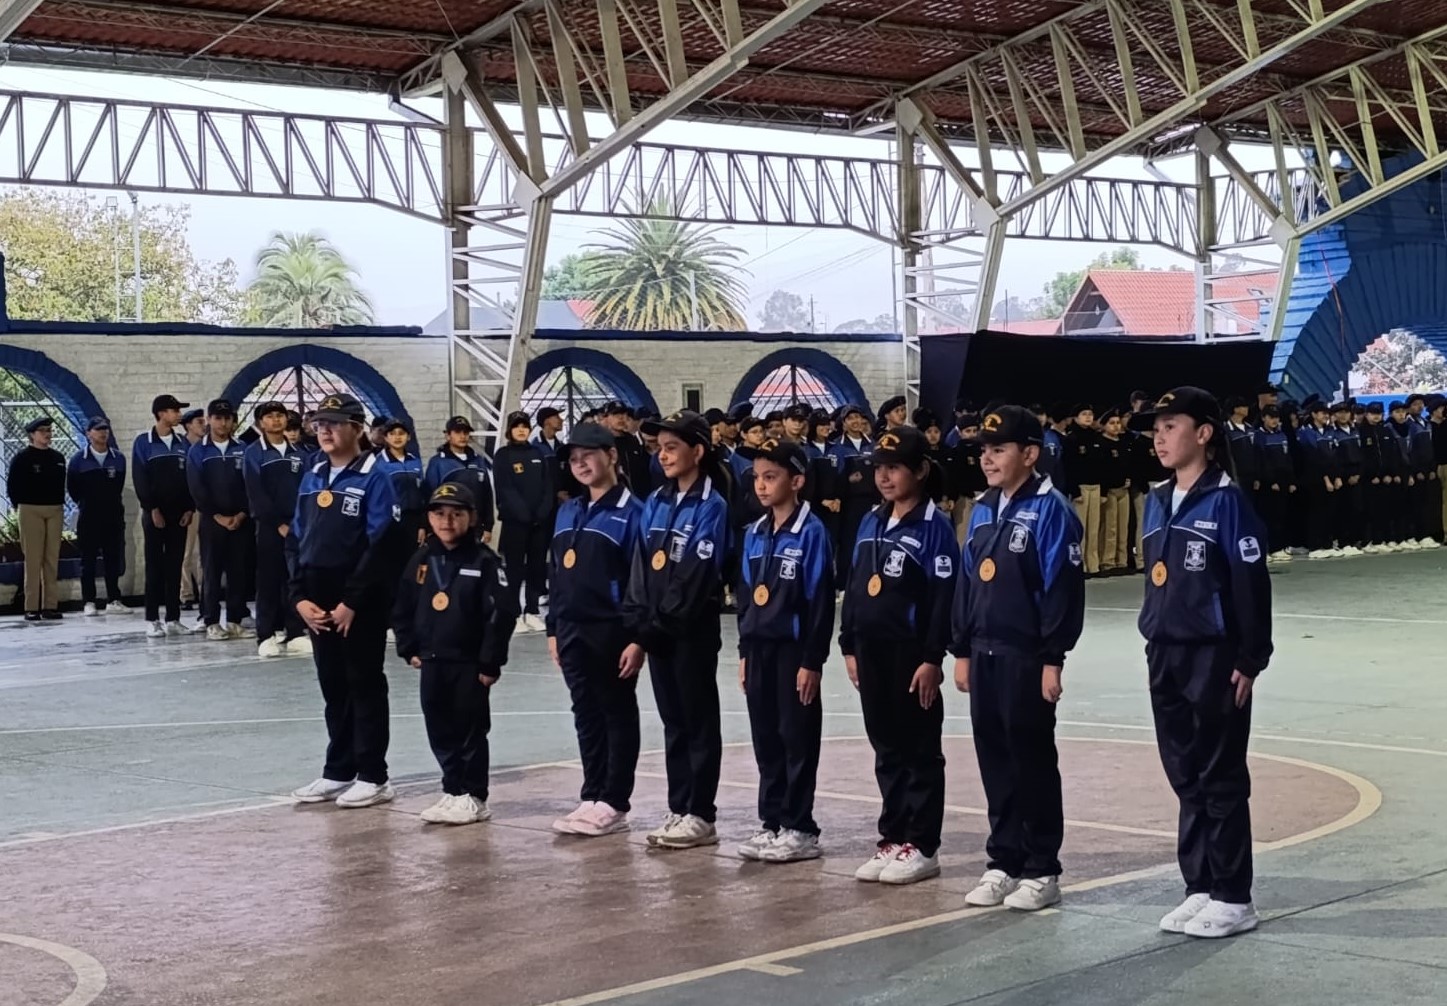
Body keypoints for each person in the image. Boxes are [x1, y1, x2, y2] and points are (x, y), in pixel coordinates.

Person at [1132, 387, 1272, 939]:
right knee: (1185, 775)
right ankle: (1201, 885)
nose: (1159, 437)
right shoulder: (1155, 500)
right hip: (1165, 651)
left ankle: (1234, 896)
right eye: (1156, 429)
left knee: (1220, 776)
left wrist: (1251, 657)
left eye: (1170, 426)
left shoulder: (1227, 501)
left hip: (1215, 656)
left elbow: (1250, 583)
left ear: (1204, 433)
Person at [951, 405, 1085, 912]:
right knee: (994, 760)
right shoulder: (983, 508)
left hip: (1026, 655)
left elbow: (1061, 589)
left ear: (1030, 454)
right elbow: (967, 582)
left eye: (999, 449)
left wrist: (1053, 657)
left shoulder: (1052, 511)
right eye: (983, 450)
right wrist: (961, 649)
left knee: (1031, 759)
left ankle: (1042, 867)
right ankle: (1003, 861)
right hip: (983, 652)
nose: (987, 459)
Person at [839, 426, 956, 886]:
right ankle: (893, 836)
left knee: (918, 748)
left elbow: (943, 597)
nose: (884, 477)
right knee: (885, 745)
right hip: (870, 650)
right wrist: (848, 644)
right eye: (879, 469)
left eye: (894, 468)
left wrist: (932, 657)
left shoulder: (934, 526)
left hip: (911, 654)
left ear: (920, 470)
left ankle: (922, 844)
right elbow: (854, 586)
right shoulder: (871, 521)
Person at [287, 394, 402, 810]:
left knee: (363, 683)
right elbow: (296, 539)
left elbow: (381, 543)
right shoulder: (313, 474)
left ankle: (374, 775)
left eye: (334, 423)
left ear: (356, 428)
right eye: (319, 424)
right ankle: (339, 769)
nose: (324, 431)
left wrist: (352, 600)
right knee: (333, 685)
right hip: (316, 598)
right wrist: (299, 597)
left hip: (358, 599)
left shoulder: (376, 477)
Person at [622, 410, 730, 850]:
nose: (662, 456)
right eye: (659, 449)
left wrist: (660, 625)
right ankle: (679, 805)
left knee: (697, 720)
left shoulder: (712, 506)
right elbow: (640, 565)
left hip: (690, 630)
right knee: (673, 722)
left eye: (672, 448)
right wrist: (639, 624)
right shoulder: (656, 501)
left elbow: (696, 574)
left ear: (697, 451)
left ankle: (701, 813)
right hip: (657, 631)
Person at [393, 482, 517, 826]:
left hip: (469, 663)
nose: (447, 521)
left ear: (472, 517)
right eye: (439, 514)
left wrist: (490, 661)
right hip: (432, 660)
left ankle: (474, 796)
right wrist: (408, 647)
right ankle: (453, 789)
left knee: (470, 730)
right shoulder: (422, 559)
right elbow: (403, 604)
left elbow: (502, 614)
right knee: (439, 727)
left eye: (456, 514)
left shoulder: (485, 561)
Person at [736, 438, 835, 863]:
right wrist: (744, 651)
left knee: (797, 738)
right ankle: (772, 821)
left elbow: (820, 601)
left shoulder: (812, 533)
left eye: (771, 477)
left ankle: (800, 827)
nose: (761, 485)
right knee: (766, 739)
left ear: (796, 481)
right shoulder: (754, 533)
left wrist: (812, 661)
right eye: (757, 477)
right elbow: (746, 597)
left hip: (794, 653)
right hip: (759, 651)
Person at [547, 422, 646, 838]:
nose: (581, 464)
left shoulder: (635, 512)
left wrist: (637, 638)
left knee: (615, 711)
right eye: (573, 458)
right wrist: (553, 627)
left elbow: (641, 581)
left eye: (588, 454)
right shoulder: (568, 510)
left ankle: (614, 800)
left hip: (612, 630)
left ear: (612, 456)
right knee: (585, 712)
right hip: (570, 628)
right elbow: (555, 572)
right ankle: (591, 794)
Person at [243, 400, 310, 658]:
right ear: (261, 423)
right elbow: (255, 492)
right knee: (268, 580)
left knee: (294, 579)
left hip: (297, 526)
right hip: (269, 526)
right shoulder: (254, 453)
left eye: (280, 415)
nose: (276, 420)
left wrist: (299, 522)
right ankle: (266, 634)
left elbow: (307, 489)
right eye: (270, 416)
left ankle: (295, 632)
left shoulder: (299, 453)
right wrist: (277, 524)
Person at [188, 399, 253, 641]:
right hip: (212, 521)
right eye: (218, 418)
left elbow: (250, 484)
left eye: (227, 418)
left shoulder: (243, 449)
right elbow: (197, 488)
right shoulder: (198, 451)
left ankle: (235, 620)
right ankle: (211, 621)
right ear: (209, 420)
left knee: (238, 572)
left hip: (240, 520)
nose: (223, 423)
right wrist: (217, 515)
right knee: (212, 572)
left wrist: (242, 514)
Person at [133, 394, 195, 637]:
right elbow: (140, 478)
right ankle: (152, 619)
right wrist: (152, 509)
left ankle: (173, 618)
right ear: (161, 413)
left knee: (174, 566)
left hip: (180, 515)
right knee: (154, 566)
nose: (179, 415)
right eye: (174, 410)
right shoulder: (144, 442)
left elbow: (190, 477)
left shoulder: (183, 443)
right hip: (155, 514)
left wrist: (189, 508)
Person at [492, 411, 556, 633]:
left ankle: (532, 610)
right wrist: (524, 514)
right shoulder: (503, 456)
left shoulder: (537, 453)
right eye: (517, 426)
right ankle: (514, 613)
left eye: (524, 426)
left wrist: (543, 512)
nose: (521, 430)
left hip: (539, 523)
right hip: (515, 522)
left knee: (536, 568)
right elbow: (505, 489)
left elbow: (547, 486)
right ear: (509, 430)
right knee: (514, 569)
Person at [7, 416, 68, 621]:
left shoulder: (58, 457)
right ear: (32, 435)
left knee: (52, 558)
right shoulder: (22, 458)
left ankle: (50, 605)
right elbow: (13, 485)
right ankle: (31, 606)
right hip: (30, 508)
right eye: (42, 431)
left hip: (55, 509)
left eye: (49, 430)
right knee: (33, 559)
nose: (47, 434)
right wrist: (20, 506)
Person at [68, 416, 130, 616]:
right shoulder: (78, 460)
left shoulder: (118, 458)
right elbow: (73, 489)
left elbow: (118, 485)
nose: (103, 433)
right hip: (89, 517)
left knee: (113, 559)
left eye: (105, 429)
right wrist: (87, 503)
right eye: (98, 429)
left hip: (112, 516)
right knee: (88, 561)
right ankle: (89, 601)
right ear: (89, 434)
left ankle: (114, 599)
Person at [424, 415, 496, 544]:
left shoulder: (478, 460)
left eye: (466, 432)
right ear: (448, 436)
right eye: (457, 432)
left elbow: (487, 494)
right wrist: (428, 526)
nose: (462, 436)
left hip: (475, 527)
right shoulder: (438, 463)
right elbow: (429, 495)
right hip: (448, 526)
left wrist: (488, 526)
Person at [829, 405, 876, 585]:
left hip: (870, 502)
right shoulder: (837, 447)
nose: (855, 421)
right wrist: (847, 480)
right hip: (847, 503)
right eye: (850, 418)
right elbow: (835, 478)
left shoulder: (873, 445)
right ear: (843, 423)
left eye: (858, 417)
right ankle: (843, 583)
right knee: (848, 543)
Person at [1065, 405, 1102, 575]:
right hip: (1081, 487)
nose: (1088, 417)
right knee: (1081, 528)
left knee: (1094, 529)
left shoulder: (1095, 437)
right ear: (1076, 417)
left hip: (1096, 486)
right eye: (1084, 414)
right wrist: (1074, 490)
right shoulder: (1072, 438)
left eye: (1090, 414)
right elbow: (1069, 466)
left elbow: (1101, 465)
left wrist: (1103, 489)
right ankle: (1079, 563)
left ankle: (1093, 564)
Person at [178, 406, 206, 611]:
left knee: (202, 552)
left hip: (205, 505)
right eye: (199, 422)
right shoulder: (182, 448)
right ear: (188, 425)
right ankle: (186, 594)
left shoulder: (205, 447)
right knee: (187, 551)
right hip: (188, 505)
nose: (204, 426)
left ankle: (205, 591)